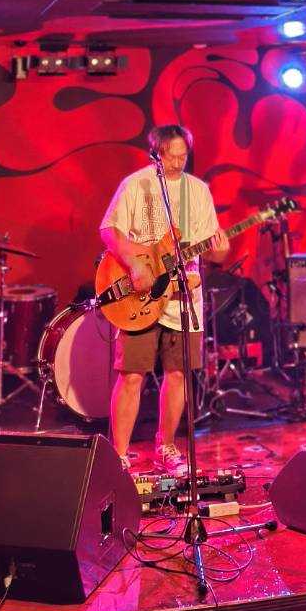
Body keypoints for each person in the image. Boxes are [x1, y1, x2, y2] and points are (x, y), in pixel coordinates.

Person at [99, 123, 229, 471]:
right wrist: (134, 263)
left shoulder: (198, 191)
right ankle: (118, 456)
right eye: (171, 156)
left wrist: (220, 250)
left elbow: (212, 249)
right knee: (132, 375)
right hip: (140, 295)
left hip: (183, 297)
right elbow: (109, 230)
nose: (178, 163)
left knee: (179, 374)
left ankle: (166, 446)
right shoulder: (136, 185)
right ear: (156, 153)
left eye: (183, 156)